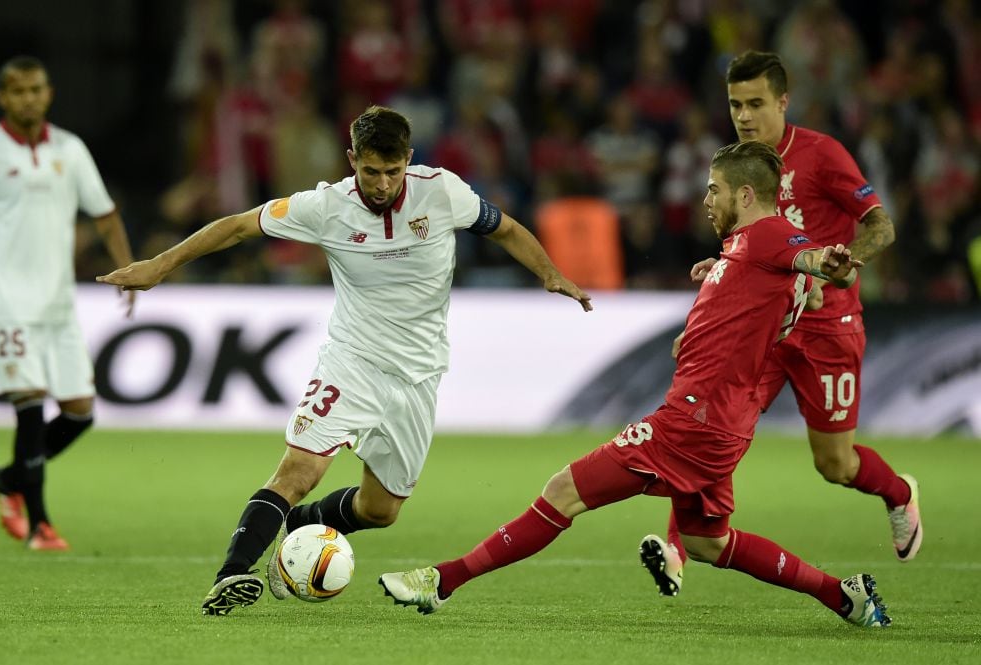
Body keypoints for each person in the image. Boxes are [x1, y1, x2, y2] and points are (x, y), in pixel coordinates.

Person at [96, 105, 593, 616]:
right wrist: (159, 265)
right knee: (299, 469)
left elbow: (506, 229)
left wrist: (549, 272)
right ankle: (231, 576)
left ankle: (298, 524)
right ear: (352, 159)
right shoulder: (324, 206)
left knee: (381, 511)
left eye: (392, 172)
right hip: (352, 360)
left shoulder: (443, 192)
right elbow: (238, 227)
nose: (381, 184)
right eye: (370, 171)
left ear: (409, 161)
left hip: (420, 374)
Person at [380, 140, 891, 629]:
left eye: (714, 189)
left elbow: (811, 260)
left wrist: (829, 262)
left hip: (693, 421)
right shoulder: (746, 251)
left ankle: (441, 581)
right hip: (724, 422)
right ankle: (843, 595)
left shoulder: (770, 237)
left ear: (745, 195)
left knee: (563, 492)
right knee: (706, 543)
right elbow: (793, 289)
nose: (706, 199)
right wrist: (727, 281)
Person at [643, 51, 919, 598]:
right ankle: (679, 549)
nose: (744, 116)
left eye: (755, 104)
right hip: (768, 329)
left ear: (783, 101)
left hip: (829, 328)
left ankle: (898, 493)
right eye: (734, 104)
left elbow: (881, 227)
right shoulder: (739, 165)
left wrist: (837, 269)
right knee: (708, 424)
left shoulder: (822, 154)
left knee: (835, 464)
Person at [0, 56, 137, 551]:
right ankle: (40, 524)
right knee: (29, 404)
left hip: (57, 303)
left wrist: (131, 270)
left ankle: (10, 479)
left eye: (37, 89)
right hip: (6, 300)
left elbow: (106, 215)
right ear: (3, 97)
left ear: (49, 94)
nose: (29, 98)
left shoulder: (70, 150)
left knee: (79, 413)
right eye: (19, 91)